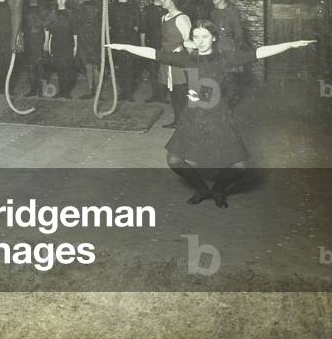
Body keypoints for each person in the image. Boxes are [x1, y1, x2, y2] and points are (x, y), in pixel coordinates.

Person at [110, 21, 315, 207]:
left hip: (219, 117)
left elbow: (258, 52)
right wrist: (124, 47)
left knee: (240, 165)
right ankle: (201, 189)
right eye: (196, 37)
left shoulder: (225, 59)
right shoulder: (187, 59)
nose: (200, 41)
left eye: (205, 36)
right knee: (173, 160)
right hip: (193, 117)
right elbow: (155, 53)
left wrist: (290, 44)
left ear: (214, 38)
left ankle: (218, 190)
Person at [157, 0, 192, 129]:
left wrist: (190, 60)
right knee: (173, 92)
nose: (162, 0)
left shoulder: (182, 18)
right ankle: (178, 120)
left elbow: (189, 41)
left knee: (181, 91)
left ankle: (186, 122)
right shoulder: (164, 17)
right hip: (167, 58)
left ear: (173, 0)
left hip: (179, 60)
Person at [210, 0, 250, 106]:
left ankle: (230, 104)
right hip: (216, 45)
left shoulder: (232, 11)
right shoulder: (213, 12)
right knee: (217, 76)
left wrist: (238, 48)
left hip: (229, 46)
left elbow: (238, 32)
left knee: (230, 77)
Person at [109, 0, 142, 101]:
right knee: (119, 66)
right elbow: (109, 24)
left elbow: (138, 24)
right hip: (116, 39)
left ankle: (129, 93)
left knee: (130, 66)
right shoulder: (112, 6)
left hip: (130, 39)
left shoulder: (133, 6)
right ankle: (122, 91)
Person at [44, 0, 78, 99]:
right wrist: (47, 43)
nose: (61, 1)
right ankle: (61, 91)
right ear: (56, 0)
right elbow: (47, 29)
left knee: (67, 67)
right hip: (56, 43)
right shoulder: (52, 13)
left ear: (66, 0)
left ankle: (67, 92)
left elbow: (75, 31)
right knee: (59, 68)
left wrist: (75, 46)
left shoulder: (71, 13)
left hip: (68, 43)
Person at [140, 0, 168, 103]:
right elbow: (143, 28)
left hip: (165, 43)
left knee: (164, 69)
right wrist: (143, 45)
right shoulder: (147, 10)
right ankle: (155, 94)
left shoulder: (167, 8)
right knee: (153, 69)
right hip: (151, 42)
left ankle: (163, 95)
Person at [75, 0, 101, 99]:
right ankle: (90, 90)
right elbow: (76, 23)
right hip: (83, 39)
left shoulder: (98, 5)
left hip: (96, 38)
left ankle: (98, 91)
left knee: (96, 64)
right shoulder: (78, 6)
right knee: (87, 64)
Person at [22, 0, 46, 97]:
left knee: (40, 66)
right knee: (30, 66)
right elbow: (22, 25)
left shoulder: (43, 9)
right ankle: (32, 90)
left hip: (40, 39)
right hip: (29, 40)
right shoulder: (24, 9)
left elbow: (46, 25)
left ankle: (42, 90)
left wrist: (46, 41)